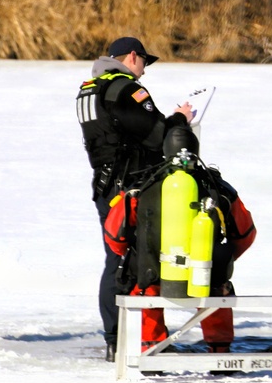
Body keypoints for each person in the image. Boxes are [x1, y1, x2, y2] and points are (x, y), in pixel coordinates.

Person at [76, 37, 192, 361]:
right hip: (132, 188)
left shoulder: (89, 89)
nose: (144, 71)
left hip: (104, 187)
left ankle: (115, 339)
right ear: (131, 57)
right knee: (143, 262)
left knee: (114, 258)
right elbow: (157, 135)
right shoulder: (127, 89)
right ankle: (144, 341)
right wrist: (181, 119)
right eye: (144, 62)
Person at [103, 127, 256, 355]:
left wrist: (140, 255)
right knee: (217, 287)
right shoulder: (218, 188)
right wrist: (222, 257)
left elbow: (115, 235)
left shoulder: (140, 188)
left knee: (144, 288)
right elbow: (245, 234)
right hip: (206, 272)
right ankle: (220, 351)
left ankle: (151, 349)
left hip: (153, 273)